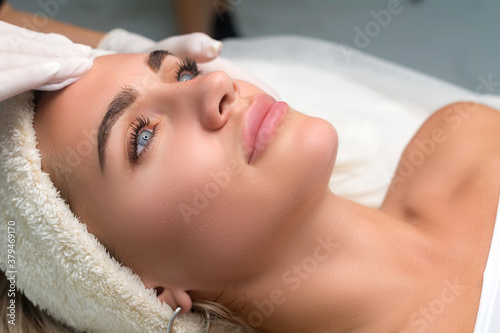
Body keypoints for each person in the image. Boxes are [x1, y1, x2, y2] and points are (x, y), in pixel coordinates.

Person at [1, 51, 500, 333]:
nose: (215, 83)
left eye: (183, 70)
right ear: (139, 290)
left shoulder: (463, 137)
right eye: (143, 137)